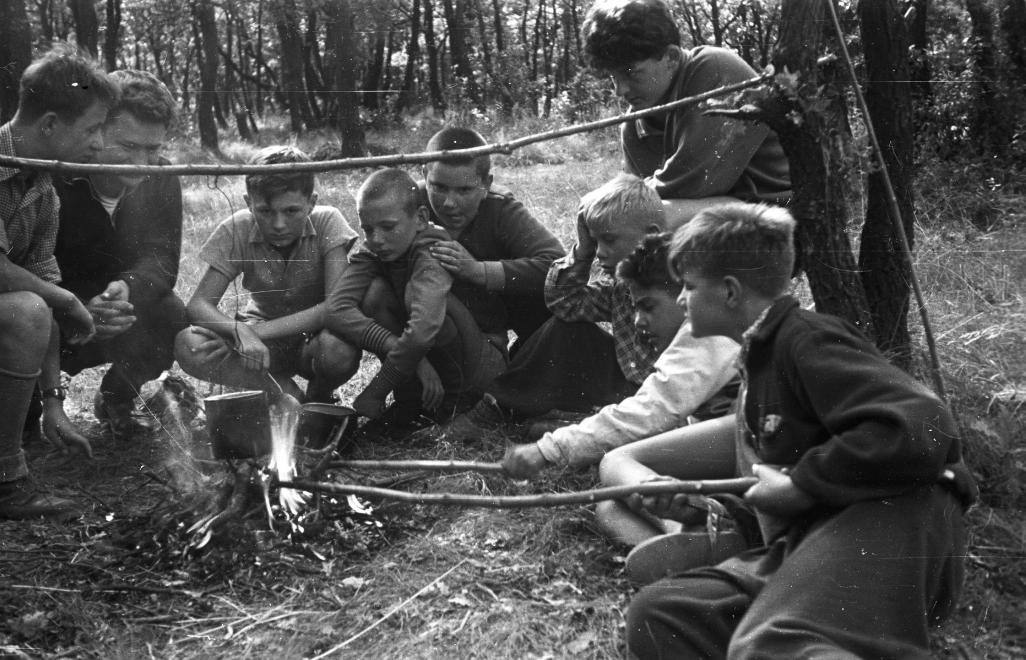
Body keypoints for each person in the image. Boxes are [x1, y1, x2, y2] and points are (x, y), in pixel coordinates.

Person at [624, 202, 977, 659]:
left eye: (690, 287)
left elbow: (928, 424)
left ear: (730, 292)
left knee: (775, 644)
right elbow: (786, 487)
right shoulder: (757, 362)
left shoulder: (804, 338)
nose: (682, 299)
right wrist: (695, 505)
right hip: (821, 532)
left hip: (897, 520)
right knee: (664, 613)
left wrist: (800, 485)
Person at [441, 173, 669, 439]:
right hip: (628, 381)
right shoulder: (620, 286)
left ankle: (586, 423)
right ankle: (497, 408)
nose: (601, 252)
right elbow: (565, 303)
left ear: (651, 236)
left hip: (658, 398)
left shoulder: (680, 289)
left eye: (609, 240)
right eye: (596, 242)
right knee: (565, 327)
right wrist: (583, 249)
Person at [501, 232, 739, 479]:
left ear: (684, 296)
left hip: (743, 447)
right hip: (723, 435)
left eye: (648, 306)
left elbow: (654, 409)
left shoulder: (706, 330)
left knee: (617, 464)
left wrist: (549, 449)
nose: (638, 321)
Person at [0, 45, 116, 519]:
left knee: (33, 305)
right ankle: (6, 480)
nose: (99, 144)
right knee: (30, 305)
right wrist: (65, 298)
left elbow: (41, 295)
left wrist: (53, 403)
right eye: (91, 129)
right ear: (49, 126)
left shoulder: (44, 187)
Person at [42, 69, 186, 441]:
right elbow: (35, 265)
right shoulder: (57, 176)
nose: (142, 163)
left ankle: (117, 397)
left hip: (120, 312)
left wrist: (126, 288)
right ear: (96, 128)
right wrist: (76, 308)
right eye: (129, 146)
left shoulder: (163, 178)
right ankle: (35, 403)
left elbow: (163, 258)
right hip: (57, 314)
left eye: (152, 150)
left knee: (171, 313)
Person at [582, 0, 790, 228]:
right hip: (721, 218)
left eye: (631, 74)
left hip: (776, 213)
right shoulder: (634, 125)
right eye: (613, 77)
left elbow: (693, 185)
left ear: (671, 57)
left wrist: (609, 203)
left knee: (648, 218)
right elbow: (649, 195)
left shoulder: (714, 69)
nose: (620, 90)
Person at [174, 146, 359, 403]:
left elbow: (334, 308)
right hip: (258, 343)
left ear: (312, 203)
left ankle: (319, 397)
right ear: (249, 204)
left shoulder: (328, 221)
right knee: (189, 344)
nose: (279, 224)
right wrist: (238, 330)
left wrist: (253, 333)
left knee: (338, 350)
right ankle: (283, 391)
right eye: (265, 211)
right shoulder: (237, 227)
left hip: (311, 340)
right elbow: (198, 304)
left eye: (291, 211)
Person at [325, 168, 507, 421]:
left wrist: (376, 391)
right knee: (374, 293)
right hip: (422, 353)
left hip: (480, 365)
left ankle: (458, 404)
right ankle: (412, 400)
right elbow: (335, 309)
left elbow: (422, 332)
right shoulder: (377, 249)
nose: (376, 239)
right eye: (368, 229)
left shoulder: (433, 251)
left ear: (421, 219)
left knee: (414, 295)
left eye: (388, 227)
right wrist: (415, 359)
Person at [420, 126, 566, 349]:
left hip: (489, 322)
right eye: (439, 187)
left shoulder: (500, 209)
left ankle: (524, 360)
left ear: (486, 184)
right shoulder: (407, 203)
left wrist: (478, 271)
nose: (449, 203)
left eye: (464, 190)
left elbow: (558, 264)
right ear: (424, 175)